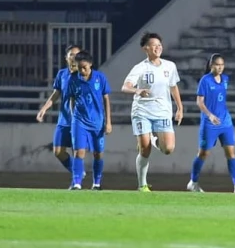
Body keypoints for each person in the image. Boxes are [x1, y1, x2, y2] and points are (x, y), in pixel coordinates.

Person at [121, 31, 183, 192]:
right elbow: (125, 86)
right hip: (142, 111)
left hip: (162, 111)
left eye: (159, 45)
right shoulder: (140, 68)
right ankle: (142, 185)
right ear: (145, 48)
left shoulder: (170, 66)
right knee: (144, 149)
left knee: (168, 149)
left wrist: (180, 108)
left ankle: (154, 140)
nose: (157, 48)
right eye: (154, 45)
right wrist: (137, 90)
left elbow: (173, 87)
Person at [189, 53, 235, 194]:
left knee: (231, 154)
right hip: (210, 123)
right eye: (217, 64)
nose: (220, 67)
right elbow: (199, 102)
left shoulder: (225, 79)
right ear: (211, 65)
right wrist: (210, 115)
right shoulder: (205, 80)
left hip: (225, 122)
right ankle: (193, 182)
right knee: (203, 154)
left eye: (222, 65)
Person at [62, 51, 112, 191]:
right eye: (79, 67)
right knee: (79, 152)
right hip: (79, 121)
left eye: (84, 67)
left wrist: (108, 122)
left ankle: (96, 183)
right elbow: (71, 99)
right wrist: (73, 119)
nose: (82, 70)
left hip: (97, 122)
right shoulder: (73, 79)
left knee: (98, 153)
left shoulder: (100, 78)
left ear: (90, 65)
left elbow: (106, 99)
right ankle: (77, 183)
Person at [35, 45, 81, 177]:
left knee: (76, 151)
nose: (74, 57)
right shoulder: (62, 74)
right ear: (66, 58)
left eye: (77, 54)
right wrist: (44, 109)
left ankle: (76, 181)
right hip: (64, 120)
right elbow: (56, 94)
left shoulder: (84, 74)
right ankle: (78, 173)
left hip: (78, 120)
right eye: (71, 54)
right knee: (58, 151)